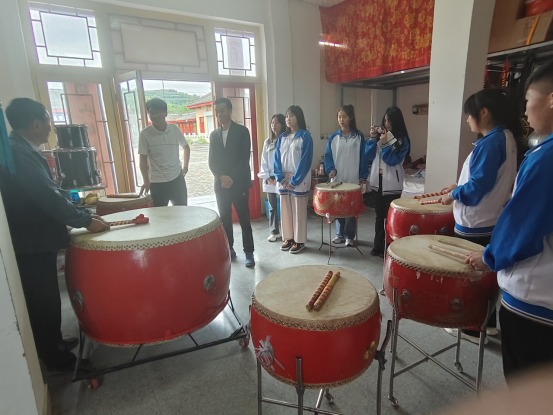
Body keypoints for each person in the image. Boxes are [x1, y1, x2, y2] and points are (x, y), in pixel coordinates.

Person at [0, 98, 109, 372]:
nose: (51, 127)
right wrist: (84, 220)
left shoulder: (22, 149)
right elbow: (45, 195)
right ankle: (53, 358)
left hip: (35, 238)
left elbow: (52, 189)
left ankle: (55, 341)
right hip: (31, 242)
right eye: (48, 120)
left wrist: (78, 209)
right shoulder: (18, 153)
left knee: (47, 296)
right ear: (37, 124)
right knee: (43, 300)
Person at [466, 61, 553, 381]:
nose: (526, 111)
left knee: (525, 388)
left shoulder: (546, 157)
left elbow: (523, 226)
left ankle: (475, 325)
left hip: (536, 296)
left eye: (528, 99)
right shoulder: (510, 141)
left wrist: (491, 256)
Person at [440, 88, 519, 344]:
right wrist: (458, 187)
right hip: (490, 218)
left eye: (469, 114)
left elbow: (478, 187)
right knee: (485, 277)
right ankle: (488, 323)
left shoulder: (492, 142)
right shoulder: (505, 137)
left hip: (476, 222)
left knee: (470, 277)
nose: (467, 119)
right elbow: (485, 181)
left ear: (484, 113)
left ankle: (473, 329)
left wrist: (453, 195)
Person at [208, 97, 255, 268]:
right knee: (225, 219)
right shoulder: (214, 135)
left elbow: (244, 159)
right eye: (217, 111)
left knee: (244, 219)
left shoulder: (242, 132)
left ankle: (249, 252)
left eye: (222, 110)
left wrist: (230, 178)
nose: (219, 114)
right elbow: (211, 161)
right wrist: (221, 177)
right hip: (221, 185)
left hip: (239, 183)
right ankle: (229, 248)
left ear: (230, 111)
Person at [366, 106, 410, 257]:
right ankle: (378, 246)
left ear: (396, 121)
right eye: (385, 120)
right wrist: (373, 138)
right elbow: (368, 155)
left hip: (392, 184)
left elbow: (392, 160)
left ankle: (389, 247)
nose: (387, 123)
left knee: (390, 217)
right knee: (379, 217)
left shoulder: (402, 140)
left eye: (390, 120)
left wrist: (385, 144)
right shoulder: (382, 136)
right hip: (377, 181)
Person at [324, 105, 368, 246]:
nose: (341, 119)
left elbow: (363, 157)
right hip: (338, 180)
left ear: (351, 117)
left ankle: (349, 235)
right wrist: (331, 170)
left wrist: (363, 176)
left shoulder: (358, 137)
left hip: (353, 179)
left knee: (351, 208)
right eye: (339, 117)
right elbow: (328, 157)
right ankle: (339, 234)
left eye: (344, 116)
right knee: (338, 207)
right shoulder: (333, 138)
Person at [274, 105, 313, 254]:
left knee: (299, 211)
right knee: (285, 210)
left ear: (299, 117)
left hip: (299, 180)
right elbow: (277, 159)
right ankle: (288, 238)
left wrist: (294, 181)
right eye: (286, 116)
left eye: (291, 116)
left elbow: (305, 161)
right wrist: (281, 178)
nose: (288, 119)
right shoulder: (282, 137)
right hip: (284, 180)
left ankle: (299, 240)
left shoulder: (305, 136)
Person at [138, 98, 190, 207]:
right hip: (157, 183)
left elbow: (186, 147)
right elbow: (142, 160)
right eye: (151, 112)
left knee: (182, 212)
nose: (155, 116)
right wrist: (146, 181)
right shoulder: (145, 134)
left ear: (165, 113)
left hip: (177, 180)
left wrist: (185, 167)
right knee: (160, 214)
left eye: (158, 112)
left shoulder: (174, 129)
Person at [258, 114, 285, 242]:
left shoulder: (285, 140)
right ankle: (274, 232)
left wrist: (280, 177)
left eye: (277, 123)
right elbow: (263, 161)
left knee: (285, 206)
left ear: (282, 124)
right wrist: (268, 178)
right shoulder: (267, 142)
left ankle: (287, 231)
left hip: (282, 177)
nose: (274, 125)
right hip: (270, 178)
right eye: (272, 123)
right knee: (272, 207)